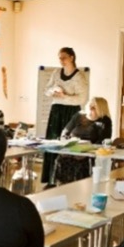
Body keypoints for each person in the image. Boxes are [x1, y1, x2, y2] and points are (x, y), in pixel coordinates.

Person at [42, 47, 90, 185]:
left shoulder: (79, 77)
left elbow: (82, 99)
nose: (61, 60)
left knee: (68, 141)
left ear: (72, 57)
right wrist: (53, 92)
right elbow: (46, 90)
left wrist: (65, 97)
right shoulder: (56, 72)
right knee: (52, 141)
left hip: (71, 112)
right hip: (56, 110)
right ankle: (50, 178)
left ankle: (66, 177)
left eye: (63, 57)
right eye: (59, 58)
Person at [53, 97, 113, 184]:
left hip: (87, 153)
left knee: (80, 163)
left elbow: (102, 141)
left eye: (94, 107)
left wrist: (87, 149)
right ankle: (62, 186)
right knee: (61, 159)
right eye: (90, 105)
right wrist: (67, 143)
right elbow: (65, 133)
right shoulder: (79, 116)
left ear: (101, 109)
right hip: (71, 149)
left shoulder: (105, 121)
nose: (90, 108)